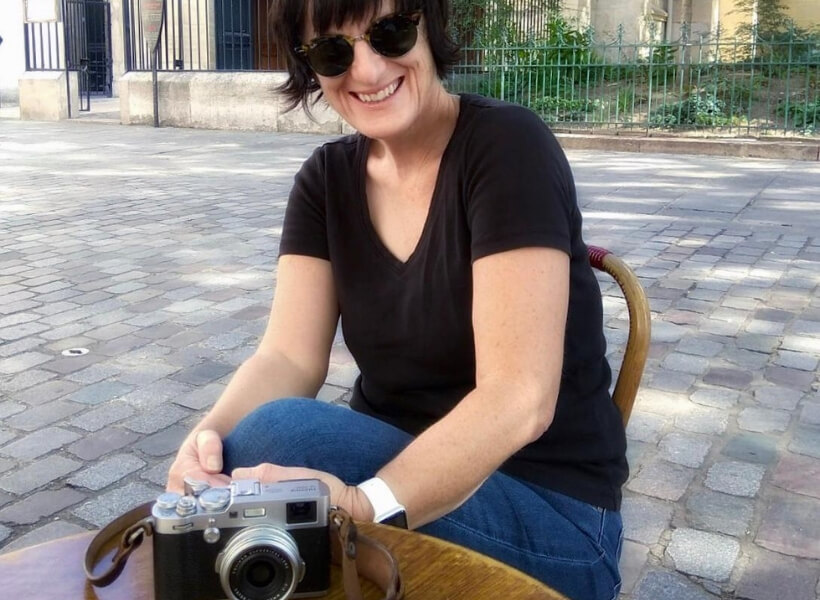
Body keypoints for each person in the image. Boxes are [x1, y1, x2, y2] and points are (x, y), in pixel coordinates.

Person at [166, 1, 627, 598]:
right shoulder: (325, 180)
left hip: (549, 513)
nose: (367, 70)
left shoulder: (508, 148)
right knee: (239, 456)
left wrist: (364, 503)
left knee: (278, 439)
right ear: (311, 67)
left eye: (389, 33)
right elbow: (288, 358)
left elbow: (519, 399)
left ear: (428, 27)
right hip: (395, 474)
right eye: (333, 50)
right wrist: (204, 447)